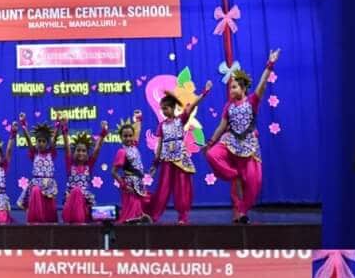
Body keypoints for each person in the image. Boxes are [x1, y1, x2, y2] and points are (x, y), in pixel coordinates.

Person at [202, 51, 280, 224]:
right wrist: (210, 142)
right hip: (230, 143)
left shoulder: (252, 101)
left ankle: (242, 211)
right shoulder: (228, 106)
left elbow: (262, 85)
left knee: (255, 182)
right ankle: (234, 174)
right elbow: (222, 126)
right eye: (230, 87)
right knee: (212, 155)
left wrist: (270, 64)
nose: (231, 90)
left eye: (234, 87)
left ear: (244, 89)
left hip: (249, 145)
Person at [149, 81, 212, 225]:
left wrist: (204, 92)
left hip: (180, 159)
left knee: (182, 187)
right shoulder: (161, 125)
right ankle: (154, 215)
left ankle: (183, 216)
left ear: (173, 108)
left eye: (166, 108)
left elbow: (193, 106)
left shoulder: (180, 120)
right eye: (162, 109)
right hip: (166, 160)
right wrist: (156, 161)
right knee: (163, 187)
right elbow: (159, 145)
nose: (164, 111)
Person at [60, 122, 108, 224]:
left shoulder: (88, 165)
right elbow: (66, 147)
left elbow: (97, 149)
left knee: (79, 192)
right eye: (78, 150)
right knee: (76, 191)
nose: (81, 153)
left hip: (84, 199)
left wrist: (103, 134)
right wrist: (64, 130)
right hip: (71, 199)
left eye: (83, 151)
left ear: (87, 154)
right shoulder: (70, 164)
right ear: (74, 152)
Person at [15, 115, 60, 223]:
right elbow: (28, 140)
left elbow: (55, 139)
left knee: (48, 207)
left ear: (47, 142)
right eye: (38, 141)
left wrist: (58, 125)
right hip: (37, 183)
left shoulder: (51, 153)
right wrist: (24, 125)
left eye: (43, 141)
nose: (40, 143)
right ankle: (35, 223)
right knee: (35, 194)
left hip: (49, 183)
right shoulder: (34, 153)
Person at [112, 113, 152, 224]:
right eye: (125, 136)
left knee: (138, 209)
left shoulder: (133, 147)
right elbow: (113, 172)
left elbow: (137, 133)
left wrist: (139, 120)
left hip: (138, 184)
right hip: (129, 186)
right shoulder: (122, 152)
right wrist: (124, 186)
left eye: (130, 135)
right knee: (131, 212)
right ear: (120, 137)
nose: (128, 138)